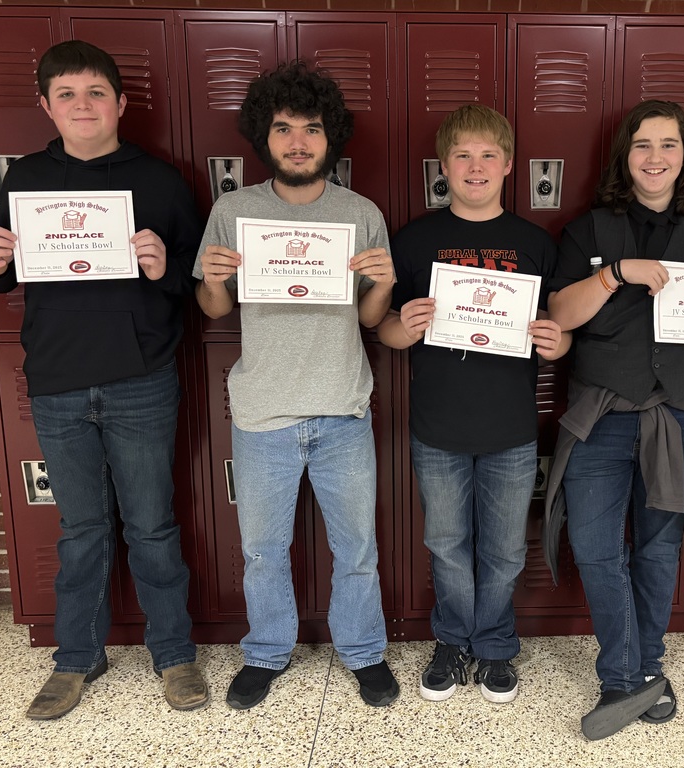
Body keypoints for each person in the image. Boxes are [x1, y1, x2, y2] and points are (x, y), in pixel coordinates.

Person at [0, 41, 207, 720]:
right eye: (67, 95)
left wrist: (164, 263)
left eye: (96, 93)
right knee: (80, 530)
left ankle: (174, 653)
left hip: (141, 379)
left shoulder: (161, 181)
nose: (83, 105)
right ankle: (77, 657)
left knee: (152, 527)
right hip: (58, 381)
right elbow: (0, 272)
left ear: (120, 104)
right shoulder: (24, 178)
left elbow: (197, 277)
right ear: (46, 106)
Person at [193, 61, 399, 711]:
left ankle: (364, 652)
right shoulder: (234, 210)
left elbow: (370, 319)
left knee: (358, 548)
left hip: (342, 407)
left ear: (330, 137)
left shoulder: (360, 214)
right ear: (266, 136)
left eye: (311, 129)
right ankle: (267, 651)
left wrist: (386, 282)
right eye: (284, 129)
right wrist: (217, 277)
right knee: (261, 551)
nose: (299, 142)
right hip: (264, 413)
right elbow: (213, 309)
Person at [544, 100, 684, 741]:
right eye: (642, 146)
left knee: (658, 551)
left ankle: (640, 668)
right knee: (599, 549)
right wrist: (615, 275)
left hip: (678, 412)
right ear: (623, 157)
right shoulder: (589, 229)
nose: (655, 158)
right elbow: (560, 312)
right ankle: (626, 675)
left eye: (668, 145)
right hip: (600, 415)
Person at [376, 104, 568, 704]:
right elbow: (382, 328)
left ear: (509, 165)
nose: (475, 166)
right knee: (446, 545)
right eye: (463, 155)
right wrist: (401, 327)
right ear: (443, 166)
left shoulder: (534, 244)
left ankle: (495, 646)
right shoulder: (415, 239)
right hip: (437, 428)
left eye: (488, 155)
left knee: (507, 549)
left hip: (511, 429)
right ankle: (452, 640)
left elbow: (559, 331)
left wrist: (558, 342)